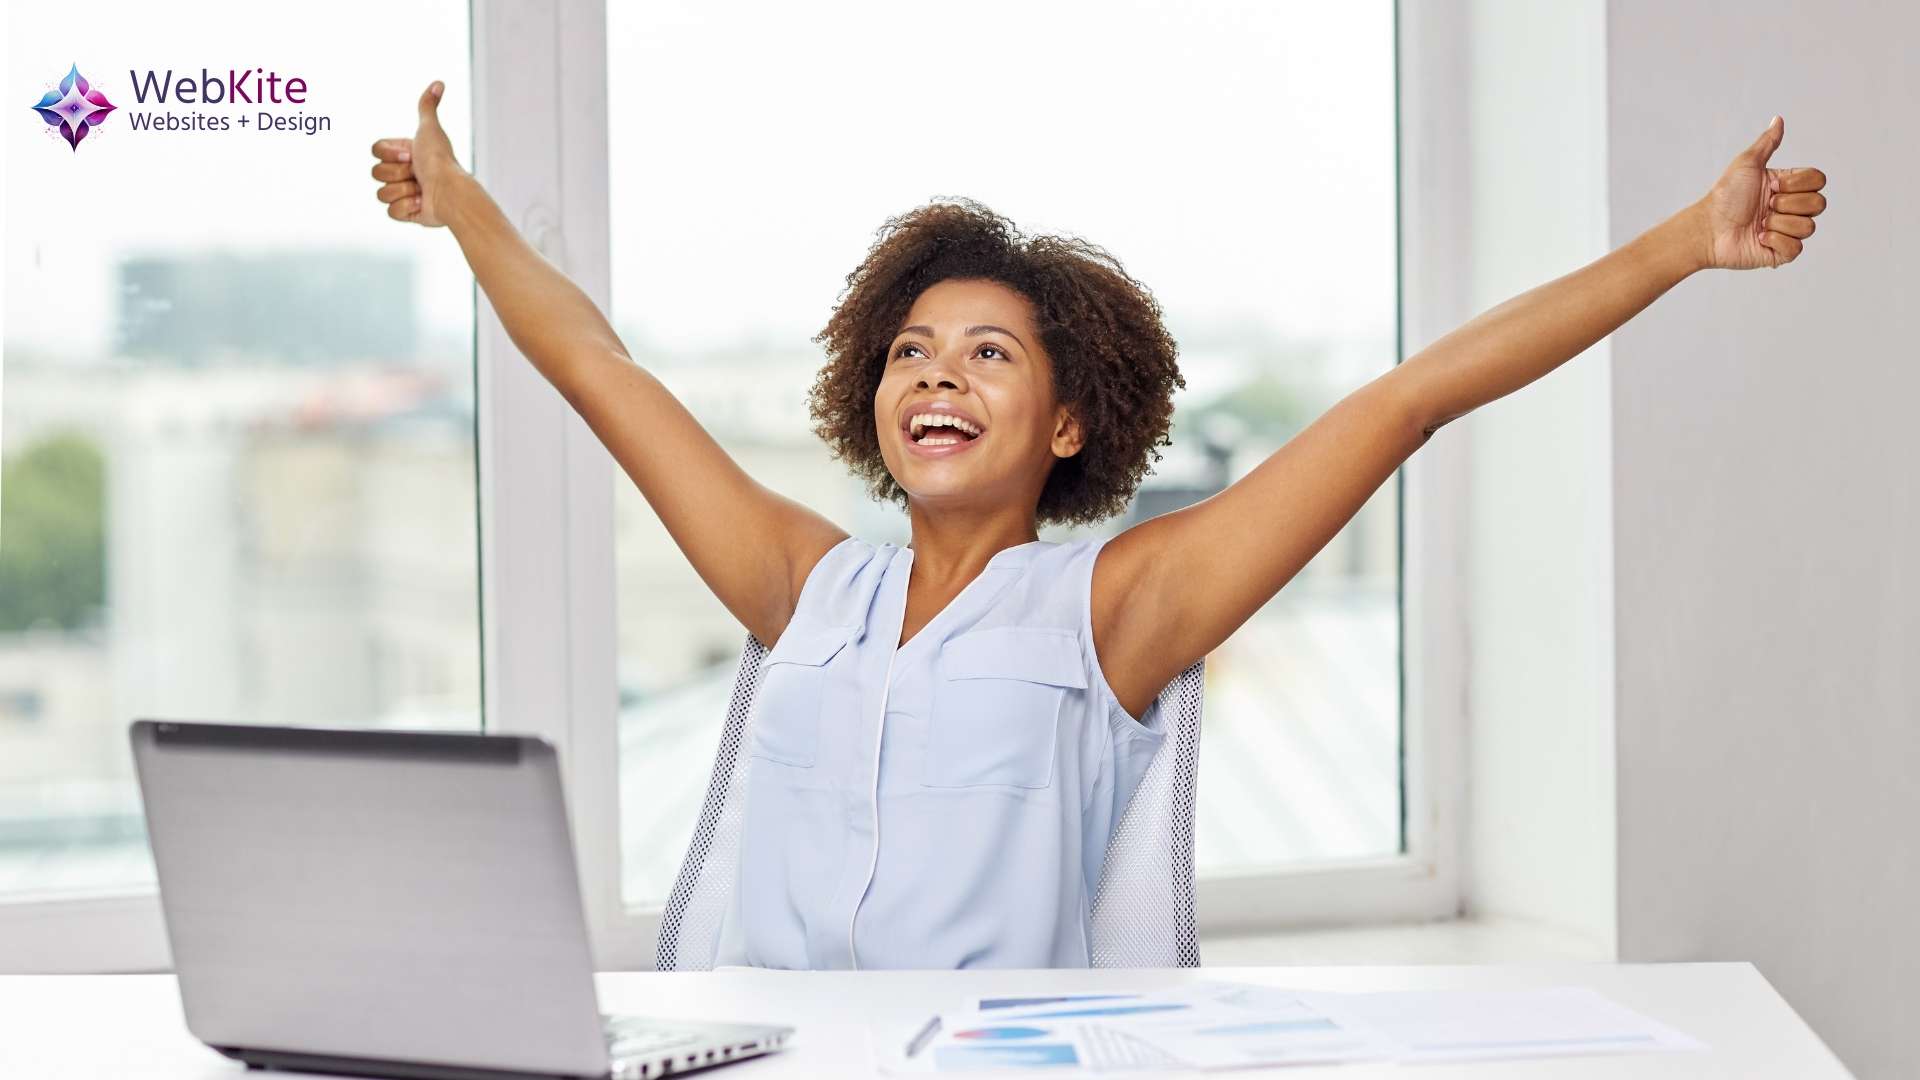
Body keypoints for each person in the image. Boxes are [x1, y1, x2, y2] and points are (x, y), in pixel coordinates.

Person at [370, 81, 1828, 969]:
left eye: (990, 353)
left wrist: (1683, 246)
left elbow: (1410, 400)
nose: (937, 372)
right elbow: (593, 364)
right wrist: (465, 203)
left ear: (1070, 424)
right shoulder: (803, 587)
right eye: (912, 351)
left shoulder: (1111, 610)